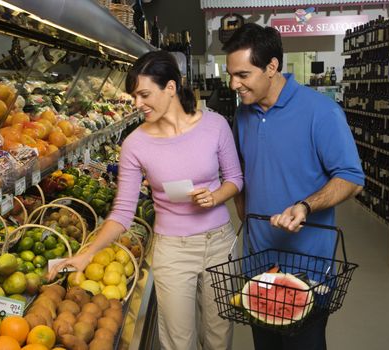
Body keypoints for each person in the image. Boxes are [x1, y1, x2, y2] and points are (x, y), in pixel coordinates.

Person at [49, 50, 243, 350]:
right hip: (173, 251)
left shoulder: (214, 125)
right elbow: (123, 212)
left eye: (143, 94)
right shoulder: (134, 144)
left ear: (170, 87)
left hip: (220, 244)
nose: (137, 104)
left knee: (220, 335)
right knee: (179, 341)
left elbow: (235, 179)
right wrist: (88, 253)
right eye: (134, 96)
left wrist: (215, 196)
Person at [223, 23, 365, 350]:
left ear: (271, 67)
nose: (234, 84)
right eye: (232, 74)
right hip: (257, 264)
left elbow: (352, 178)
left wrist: (305, 206)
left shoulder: (322, 112)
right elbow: (242, 167)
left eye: (243, 74)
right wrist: (243, 206)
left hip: (308, 268)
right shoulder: (243, 114)